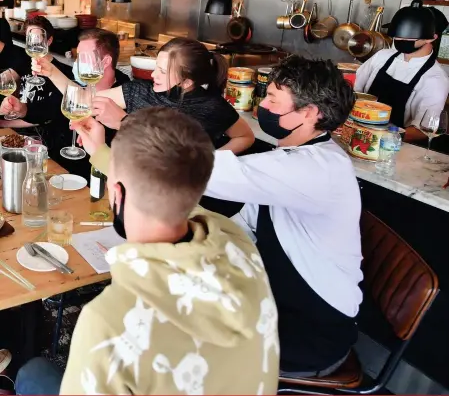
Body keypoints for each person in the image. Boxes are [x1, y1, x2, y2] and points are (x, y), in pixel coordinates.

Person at [71, 55, 363, 378]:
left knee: (164, 340)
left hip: (310, 332)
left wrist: (120, 133)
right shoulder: (292, 159)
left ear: (309, 113)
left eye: (271, 99)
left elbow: (193, 170)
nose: (261, 106)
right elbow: (243, 227)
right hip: (275, 304)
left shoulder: (318, 169)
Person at [16, 107, 279, 395]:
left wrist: (107, 155)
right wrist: (101, 151)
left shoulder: (109, 320)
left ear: (116, 194)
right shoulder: (236, 240)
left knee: (34, 373)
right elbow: (180, 194)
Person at [35, 36, 255, 154]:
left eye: (162, 71)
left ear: (188, 81)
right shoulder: (138, 90)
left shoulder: (213, 108)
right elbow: (82, 100)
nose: (152, 74)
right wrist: (51, 72)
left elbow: (245, 137)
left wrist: (215, 161)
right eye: (155, 66)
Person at [0, 26, 129, 177]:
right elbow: (47, 110)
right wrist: (23, 109)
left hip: (90, 175)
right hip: (53, 161)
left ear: (106, 61)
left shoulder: (127, 98)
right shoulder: (74, 84)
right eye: (78, 56)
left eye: (83, 57)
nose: (77, 62)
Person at [355, 2, 449, 142]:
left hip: (391, 145)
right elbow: (354, 90)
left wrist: (383, 137)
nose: (400, 40)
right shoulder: (382, 56)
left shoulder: (434, 79)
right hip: (355, 128)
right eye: (397, 35)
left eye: (408, 36)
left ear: (432, 38)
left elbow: (423, 130)